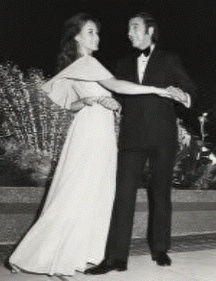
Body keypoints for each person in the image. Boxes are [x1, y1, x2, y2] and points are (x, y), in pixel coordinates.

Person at [8, 13, 182, 277]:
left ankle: (70, 254)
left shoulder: (79, 64)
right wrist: (157, 90)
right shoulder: (87, 62)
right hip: (93, 135)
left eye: (97, 33)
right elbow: (118, 85)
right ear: (77, 36)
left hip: (94, 129)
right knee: (81, 190)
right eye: (90, 32)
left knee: (87, 191)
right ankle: (55, 258)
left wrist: (96, 101)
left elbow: (71, 104)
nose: (97, 37)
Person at [85, 12, 196, 275]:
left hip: (163, 137)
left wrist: (184, 95)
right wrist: (112, 103)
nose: (129, 32)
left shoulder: (170, 59)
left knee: (160, 194)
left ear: (150, 30)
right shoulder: (122, 63)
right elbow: (119, 95)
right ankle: (115, 258)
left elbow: (189, 87)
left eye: (134, 27)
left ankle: (160, 249)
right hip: (131, 138)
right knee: (123, 195)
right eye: (128, 28)